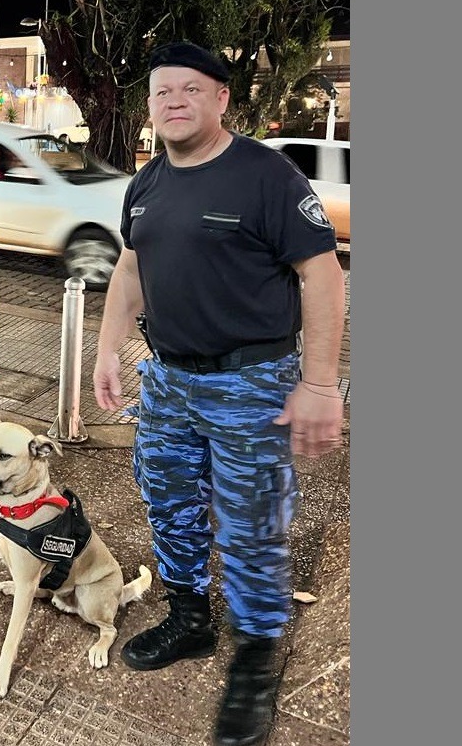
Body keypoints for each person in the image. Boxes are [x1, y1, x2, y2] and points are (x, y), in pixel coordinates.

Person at [92, 41, 344, 746]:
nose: (172, 100)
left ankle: (256, 656)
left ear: (221, 98)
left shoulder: (264, 175)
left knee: (249, 520)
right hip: (167, 378)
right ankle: (189, 615)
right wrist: (107, 348)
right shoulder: (145, 185)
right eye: (160, 91)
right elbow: (130, 268)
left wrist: (320, 383)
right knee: (166, 498)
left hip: (250, 381)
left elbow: (321, 277)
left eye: (189, 89)